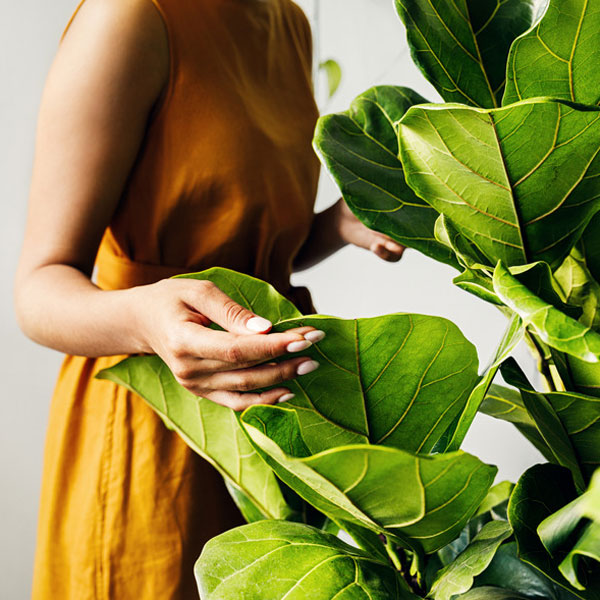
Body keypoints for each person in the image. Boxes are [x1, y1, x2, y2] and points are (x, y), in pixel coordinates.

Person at [15, 0, 406, 597]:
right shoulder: (131, 15)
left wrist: (335, 226)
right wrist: (146, 321)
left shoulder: (289, 23)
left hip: (270, 430)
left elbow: (246, 253)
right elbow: (38, 288)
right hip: (154, 429)